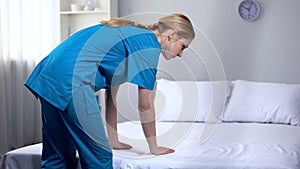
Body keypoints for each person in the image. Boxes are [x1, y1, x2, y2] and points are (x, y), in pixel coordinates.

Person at [24, 13, 195, 169]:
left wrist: (113, 139)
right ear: (172, 35)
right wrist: (154, 147)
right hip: (71, 80)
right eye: (183, 46)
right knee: (100, 157)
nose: (181, 54)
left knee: (58, 156)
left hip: (49, 74)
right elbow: (145, 105)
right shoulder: (149, 46)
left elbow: (111, 94)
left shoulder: (133, 34)